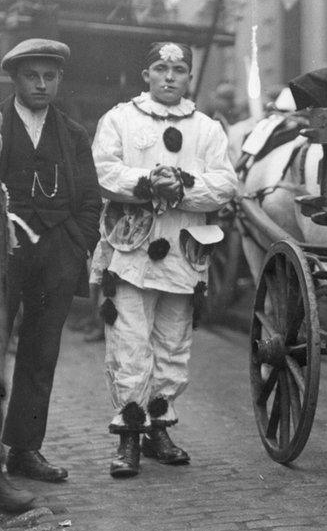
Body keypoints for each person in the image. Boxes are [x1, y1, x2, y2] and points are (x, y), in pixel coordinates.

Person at [91, 42, 237, 478]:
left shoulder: (207, 129)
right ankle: (129, 438)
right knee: (131, 345)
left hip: (183, 254)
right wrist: (149, 181)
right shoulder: (119, 119)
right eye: (160, 67)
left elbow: (225, 181)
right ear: (146, 74)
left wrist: (183, 187)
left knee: (172, 347)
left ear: (189, 77)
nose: (169, 76)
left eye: (178, 69)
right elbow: (102, 170)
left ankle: (158, 428)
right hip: (131, 254)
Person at [0, 39, 101, 506]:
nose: (41, 84)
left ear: (59, 79)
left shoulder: (73, 134)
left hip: (56, 256)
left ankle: (25, 451)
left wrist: (74, 246)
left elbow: (89, 201)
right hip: (4, 256)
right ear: (14, 79)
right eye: (31, 76)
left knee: (41, 355)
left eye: (49, 76)